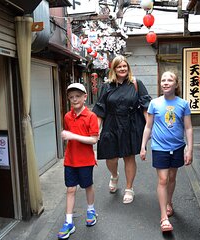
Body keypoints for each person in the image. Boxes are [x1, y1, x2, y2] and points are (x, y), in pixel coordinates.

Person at [92, 55, 151, 204]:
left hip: (130, 124)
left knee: (129, 156)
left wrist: (149, 128)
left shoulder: (136, 83)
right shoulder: (106, 86)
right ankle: (114, 175)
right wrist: (95, 131)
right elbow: (100, 109)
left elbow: (146, 107)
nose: (122, 69)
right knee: (111, 157)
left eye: (125, 66)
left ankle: (129, 188)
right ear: (114, 69)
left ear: (128, 68)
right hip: (111, 123)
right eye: (119, 66)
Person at [140, 71, 193, 232]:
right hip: (159, 147)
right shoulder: (154, 103)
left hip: (177, 147)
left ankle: (169, 202)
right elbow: (148, 126)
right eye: (163, 80)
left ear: (176, 84)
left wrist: (189, 149)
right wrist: (143, 146)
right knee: (163, 180)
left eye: (170, 80)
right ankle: (164, 217)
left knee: (172, 177)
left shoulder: (183, 104)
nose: (166, 82)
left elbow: (188, 128)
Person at [57, 83, 99, 239]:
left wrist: (72, 136)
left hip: (86, 160)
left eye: (78, 96)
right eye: (71, 97)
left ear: (85, 97)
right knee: (70, 189)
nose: (74, 99)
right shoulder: (67, 116)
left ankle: (91, 210)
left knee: (88, 186)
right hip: (70, 159)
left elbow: (94, 140)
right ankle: (68, 222)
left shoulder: (91, 116)